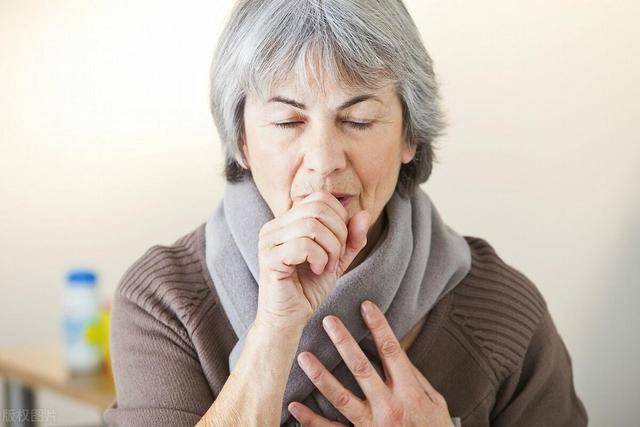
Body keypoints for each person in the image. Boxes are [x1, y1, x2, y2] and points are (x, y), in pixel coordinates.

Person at [103, 0, 588, 425]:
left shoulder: (502, 310)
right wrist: (274, 330)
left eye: (358, 119)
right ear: (242, 142)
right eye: (288, 121)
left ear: (410, 136)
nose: (323, 160)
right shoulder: (164, 302)